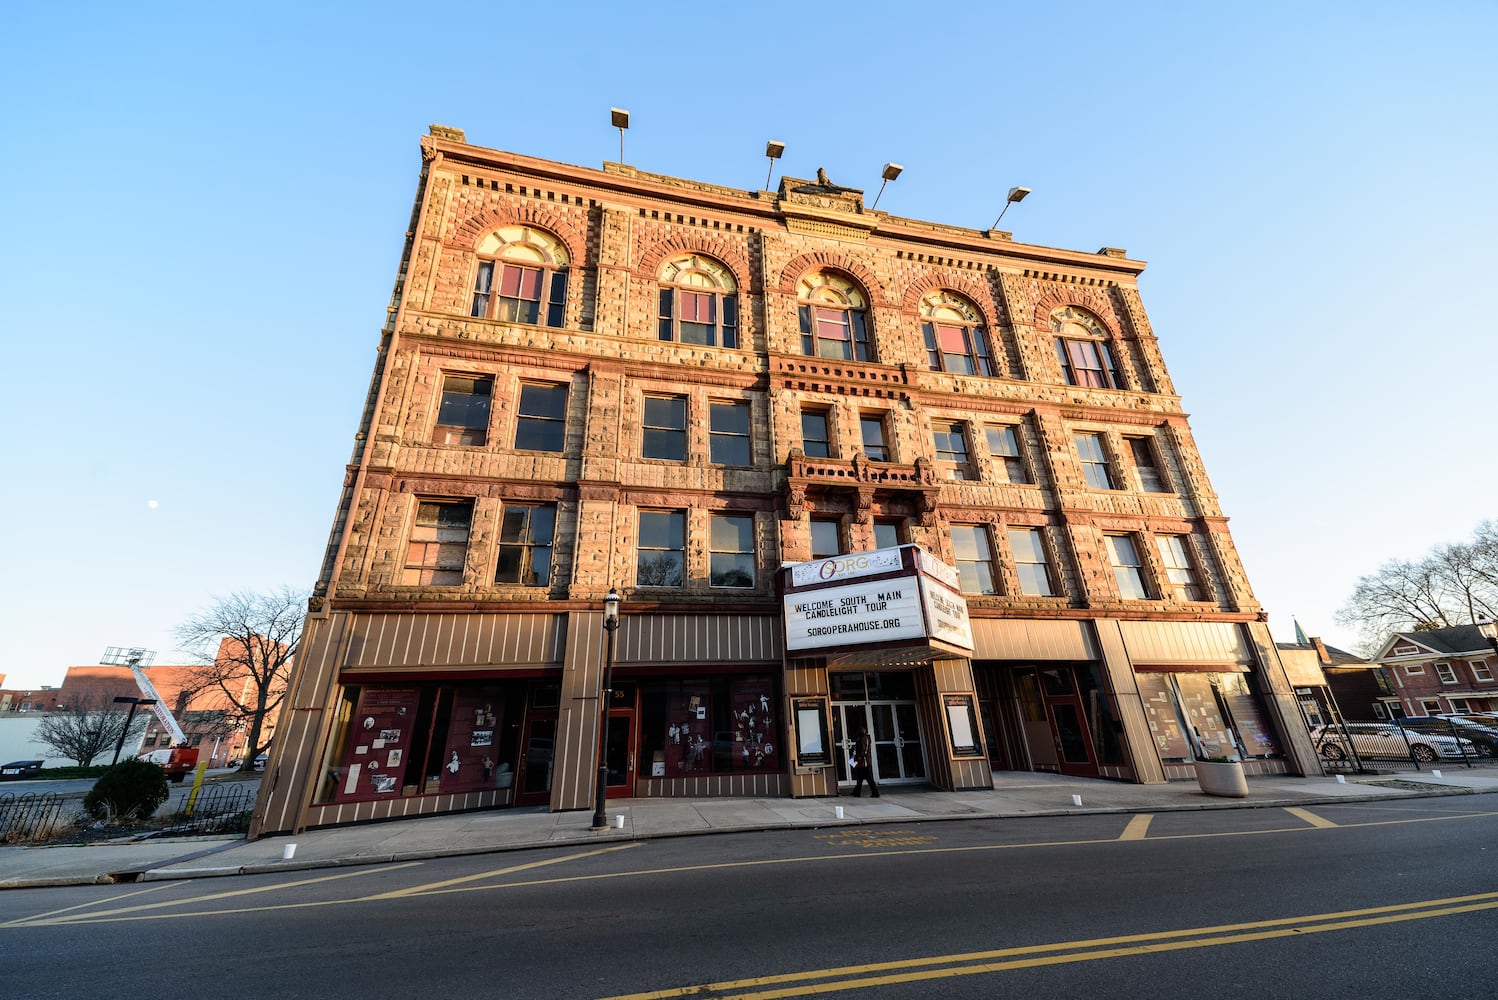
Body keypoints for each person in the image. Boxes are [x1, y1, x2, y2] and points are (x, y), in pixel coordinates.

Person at [852, 726, 879, 798]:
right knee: (859, 778)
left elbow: (865, 750)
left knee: (869, 779)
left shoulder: (865, 738)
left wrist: (860, 757)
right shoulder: (860, 738)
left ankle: (875, 793)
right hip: (861, 762)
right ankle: (856, 792)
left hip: (864, 762)